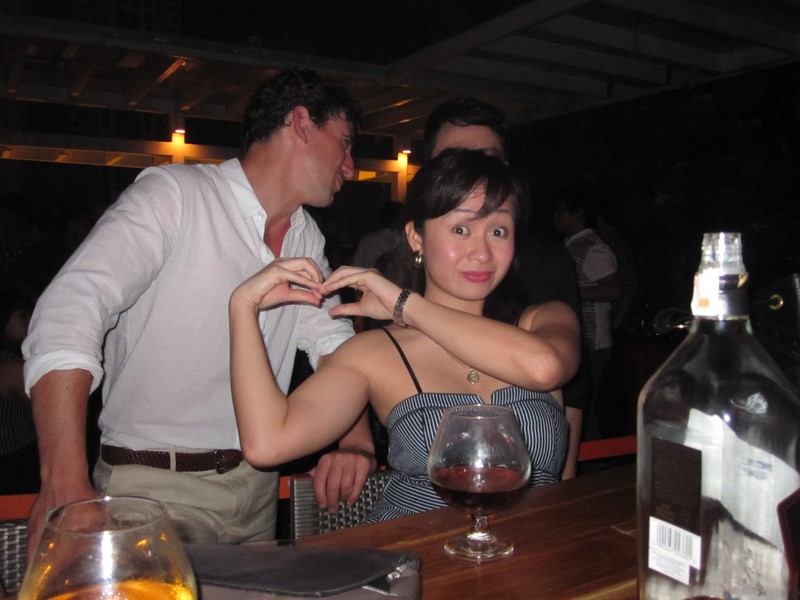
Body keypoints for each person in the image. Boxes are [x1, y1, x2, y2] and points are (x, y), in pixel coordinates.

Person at [21, 67, 376, 556]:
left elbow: (333, 344)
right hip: (154, 491)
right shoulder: (176, 194)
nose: (351, 167)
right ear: (300, 123)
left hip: (257, 491)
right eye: (345, 143)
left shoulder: (304, 234)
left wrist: (355, 440)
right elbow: (68, 310)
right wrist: (63, 482)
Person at [229, 149, 581, 521]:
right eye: (461, 229)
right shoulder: (375, 353)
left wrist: (404, 305)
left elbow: (544, 368)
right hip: (416, 549)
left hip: (535, 549)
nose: (481, 253)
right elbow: (268, 444)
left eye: (498, 231)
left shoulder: (544, 321)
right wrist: (242, 307)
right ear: (416, 237)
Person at [423, 96, 584, 479]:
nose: (476, 171)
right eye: (457, 158)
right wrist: (356, 442)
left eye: (489, 158)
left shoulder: (544, 259)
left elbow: (570, 387)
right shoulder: (398, 265)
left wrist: (566, 484)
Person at [554, 182, 622, 442]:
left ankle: (593, 460)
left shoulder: (594, 248)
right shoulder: (571, 246)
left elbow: (613, 290)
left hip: (593, 341)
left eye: (562, 211)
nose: (556, 216)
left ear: (579, 213)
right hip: (579, 339)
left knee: (583, 408)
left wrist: (570, 291)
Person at [0, 286, 40, 495]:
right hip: (16, 464)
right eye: (22, 315)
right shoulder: (11, 367)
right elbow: (45, 416)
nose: (30, 320)